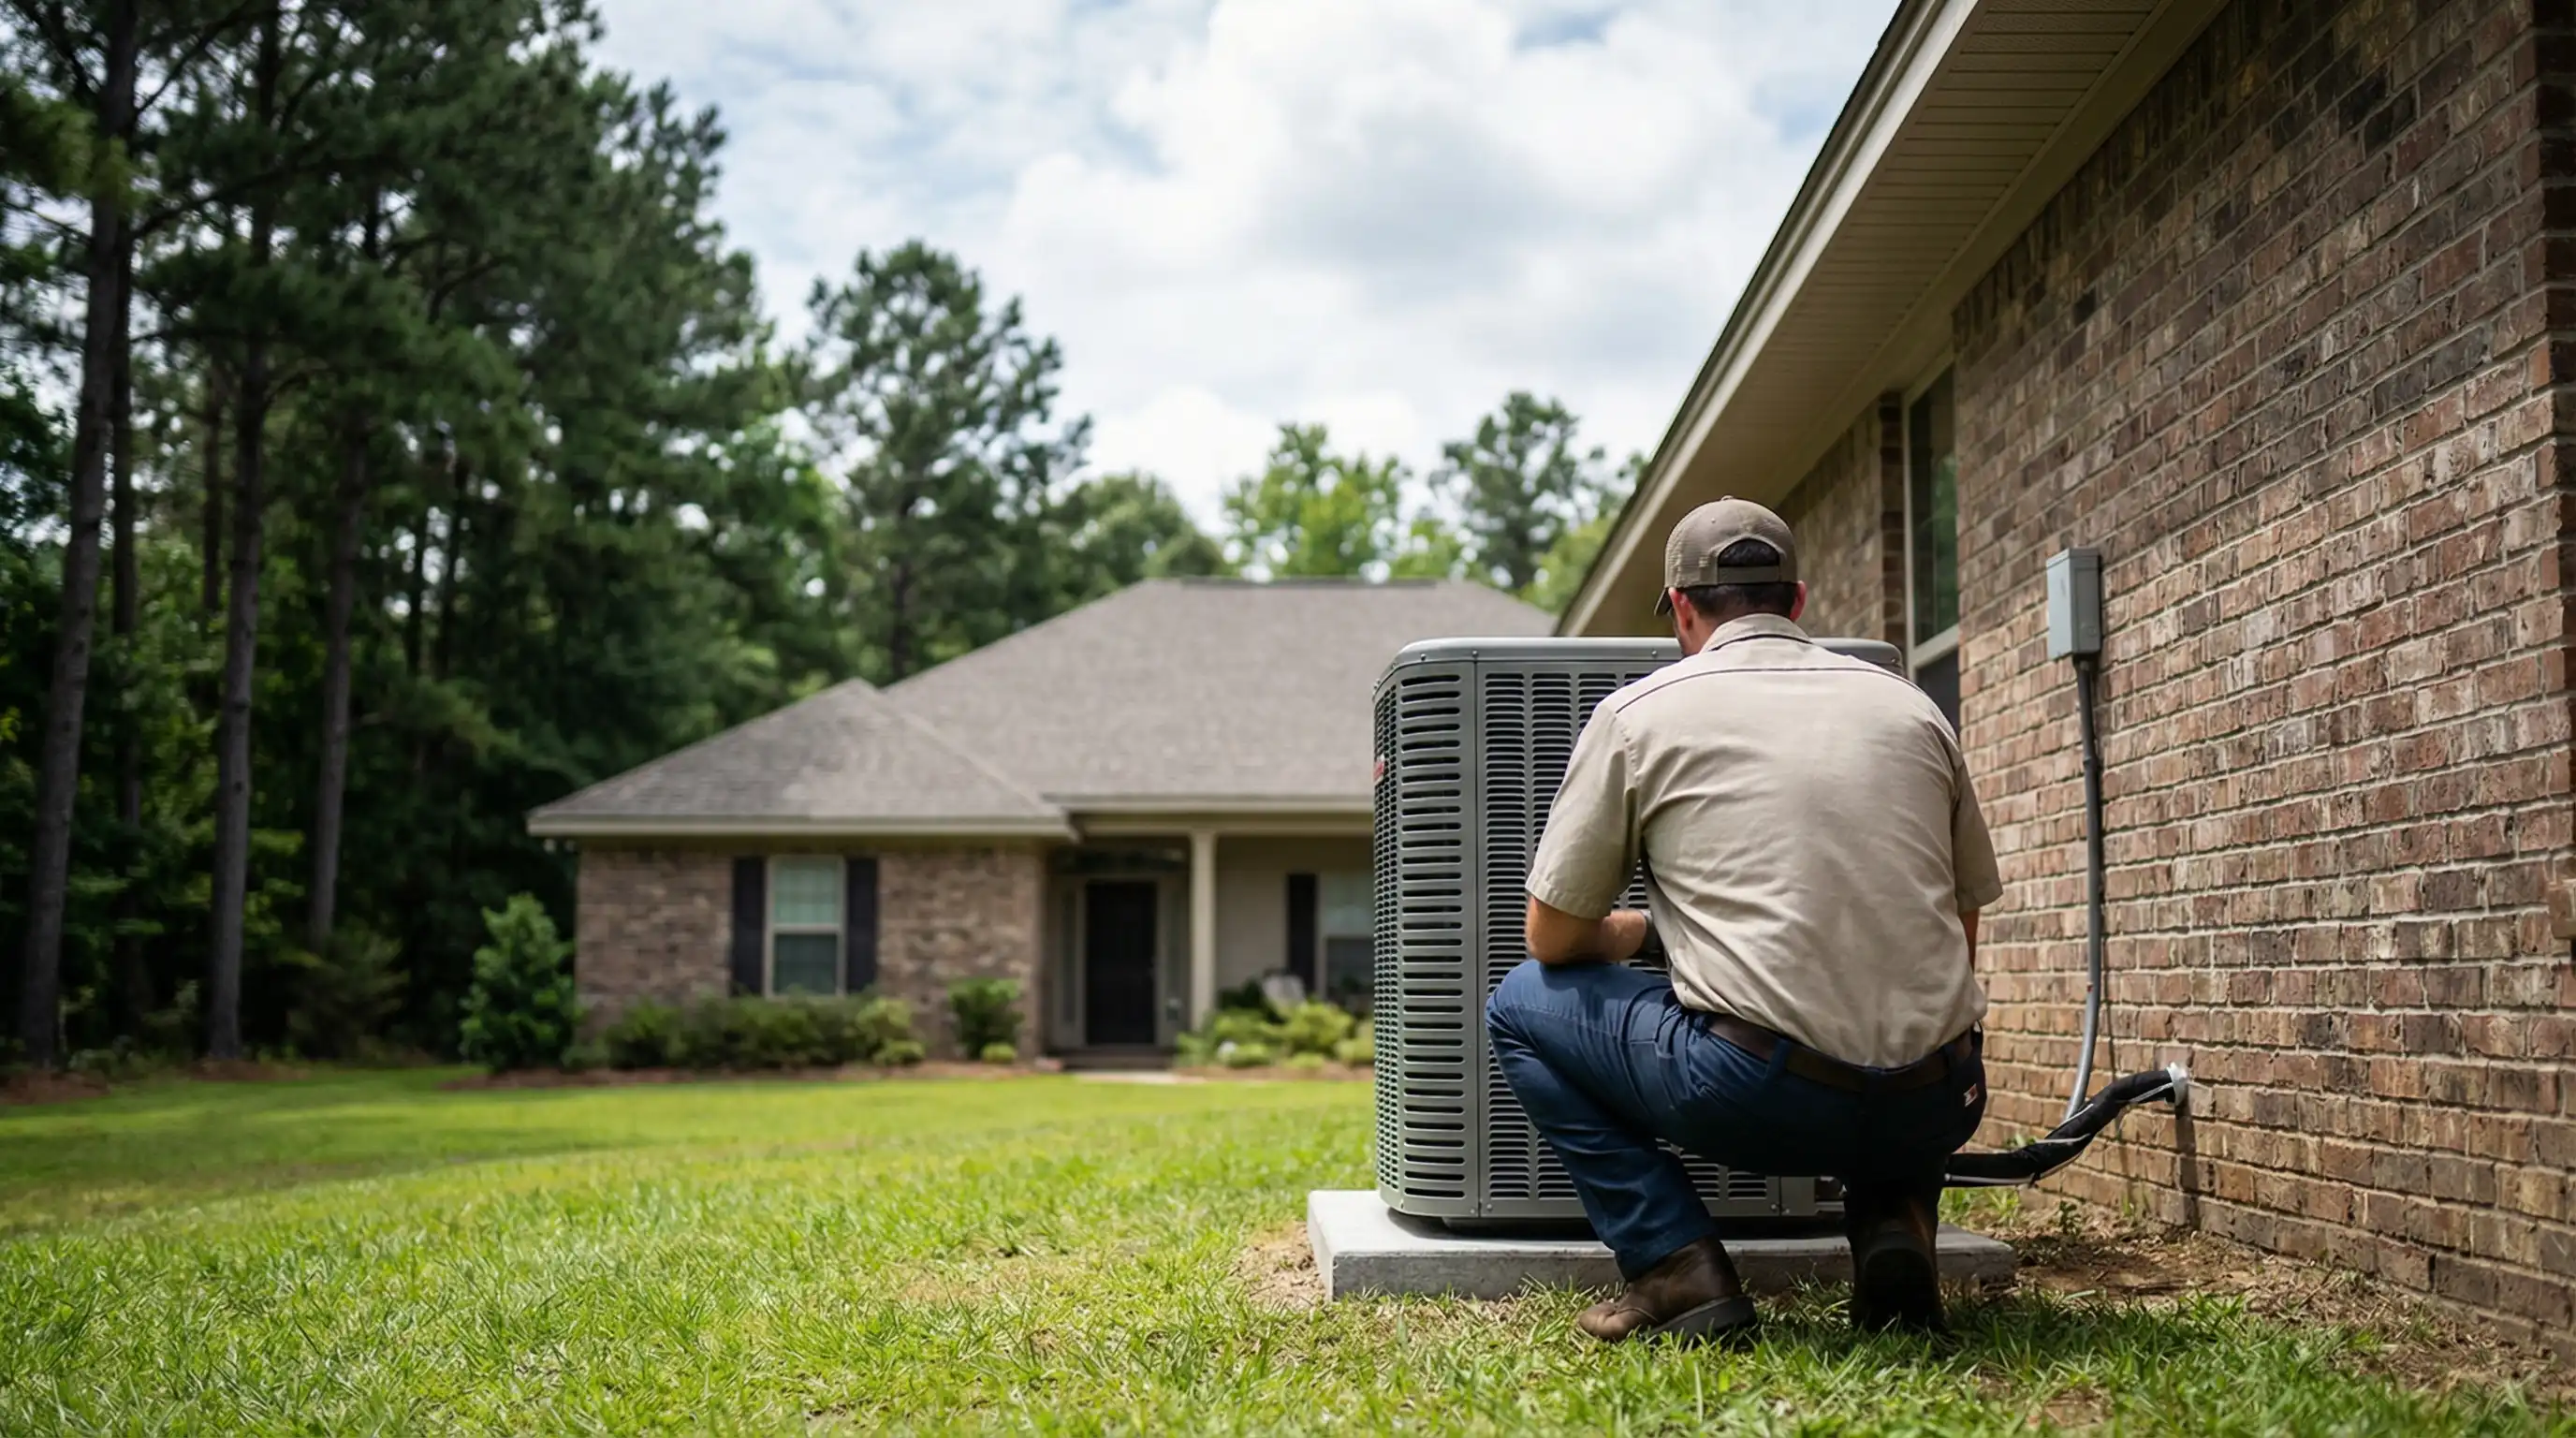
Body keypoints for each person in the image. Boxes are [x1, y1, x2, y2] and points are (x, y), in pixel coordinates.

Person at [1485, 496, 2002, 1346]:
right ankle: (1894, 1226)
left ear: (1682, 610)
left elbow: (1551, 938)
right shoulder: (1913, 708)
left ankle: (1675, 1269)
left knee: (1520, 1002)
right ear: (1797, 602)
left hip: (1760, 1100)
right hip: (1939, 1099)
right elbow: (1959, 928)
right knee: (1905, 1033)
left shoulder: (1639, 714)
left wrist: (1640, 932)